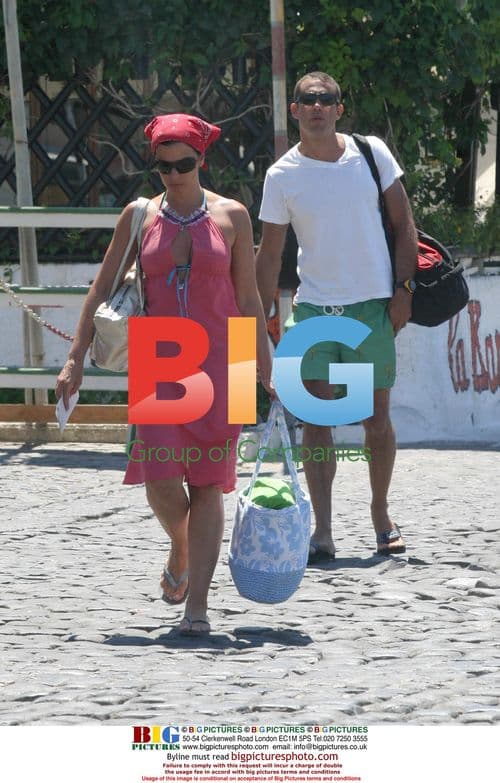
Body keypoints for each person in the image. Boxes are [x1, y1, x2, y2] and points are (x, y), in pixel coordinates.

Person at [56, 113, 273, 636]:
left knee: (208, 485)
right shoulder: (139, 216)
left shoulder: (234, 216)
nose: (174, 174)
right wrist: (74, 357)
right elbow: (101, 288)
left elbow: (248, 296)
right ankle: (181, 544)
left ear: (202, 160)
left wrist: (265, 362)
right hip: (161, 358)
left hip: (228, 357)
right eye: (164, 166)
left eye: (184, 164)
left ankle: (195, 605)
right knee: (159, 479)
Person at [256, 72, 418, 562]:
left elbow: (404, 222)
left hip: (371, 307)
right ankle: (322, 530)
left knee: (376, 419)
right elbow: (269, 256)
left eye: (326, 100)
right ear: (294, 110)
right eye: (309, 100)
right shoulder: (281, 176)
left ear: (340, 109)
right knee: (316, 421)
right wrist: (264, 321)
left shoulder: (370, 154)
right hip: (313, 311)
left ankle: (380, 513)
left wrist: (404, 290)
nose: (318, 108)